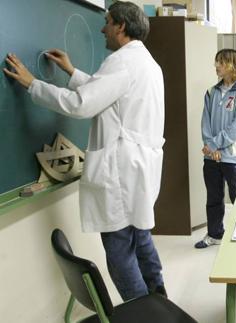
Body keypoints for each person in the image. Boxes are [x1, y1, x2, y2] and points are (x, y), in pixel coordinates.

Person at [4, 1, 167, 300]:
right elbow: (108, 94)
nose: (102, 28)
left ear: (120, 26)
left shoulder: (122, 62)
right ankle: (159, 303)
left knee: (120, 253)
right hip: (139, 171)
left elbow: (81, 104)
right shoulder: (146, 63)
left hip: (122, 174)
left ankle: (141, 315)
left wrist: (33, 84)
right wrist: (71, 71)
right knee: (141, 240)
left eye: (107, 21)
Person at [195, 49, 236, 249]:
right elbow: (205, 123)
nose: (216, 66)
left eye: (220, 62)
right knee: (214, 198)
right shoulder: (211, 92)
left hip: (233, 157)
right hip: (212, 157)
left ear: (232, 65)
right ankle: (214, 234)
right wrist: (211, 147)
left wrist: (215, 145)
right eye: (216, 62)